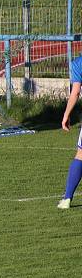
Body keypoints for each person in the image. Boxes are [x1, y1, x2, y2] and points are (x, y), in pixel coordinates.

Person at [57, 56, 82, 209]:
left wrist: (66, 115)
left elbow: (76, 92)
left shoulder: (78, 63)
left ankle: (67, 199)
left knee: (80, 155)